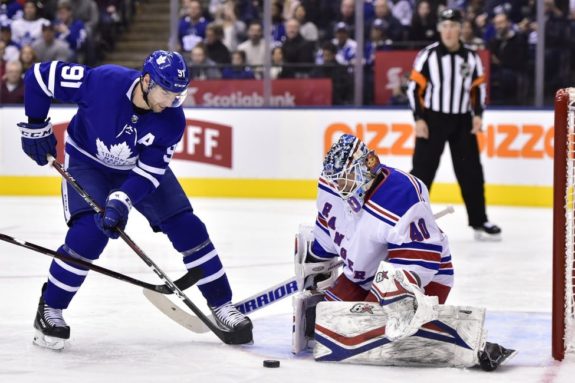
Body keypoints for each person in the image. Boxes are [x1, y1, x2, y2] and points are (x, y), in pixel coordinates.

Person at [17, 50, 252, 350]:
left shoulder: (172, 120)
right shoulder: (103, 81)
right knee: (88, 235)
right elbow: (37, 76)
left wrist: (121, 200)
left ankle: (222, 304)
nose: (170, 102)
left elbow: (149, 172)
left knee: (188, 228)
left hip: (136, 170)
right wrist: (36, 125)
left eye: (177, 96)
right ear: (146, 80)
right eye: (165, 93)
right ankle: (50, 309)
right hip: (88, 164)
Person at [292, 133, 516, 371]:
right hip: (362, 275)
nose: (339, 186)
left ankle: (468, 344)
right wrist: (316, 258)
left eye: (345, 178)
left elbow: (420, 265)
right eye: (335, 180)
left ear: (365, 168)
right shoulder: (332, 188)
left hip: (419, 279)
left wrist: (377, 309)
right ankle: (385, 325)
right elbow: (329, 228)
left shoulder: (401, 193)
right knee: (326, 323)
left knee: (373, 323)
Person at [406, 8, 502, 241]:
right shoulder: (427, 55)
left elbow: (478, 88)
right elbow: (414, 88)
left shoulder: (471, 57)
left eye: (453, 26)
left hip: (462, 122)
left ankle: (479, 221)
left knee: (471, 172)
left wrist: (478, 115)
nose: (449, 30)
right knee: (422, 172)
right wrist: (418, 118)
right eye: (445, 26)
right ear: (439, 28)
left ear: (461, 29)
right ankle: (407, 220)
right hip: (432, 119)